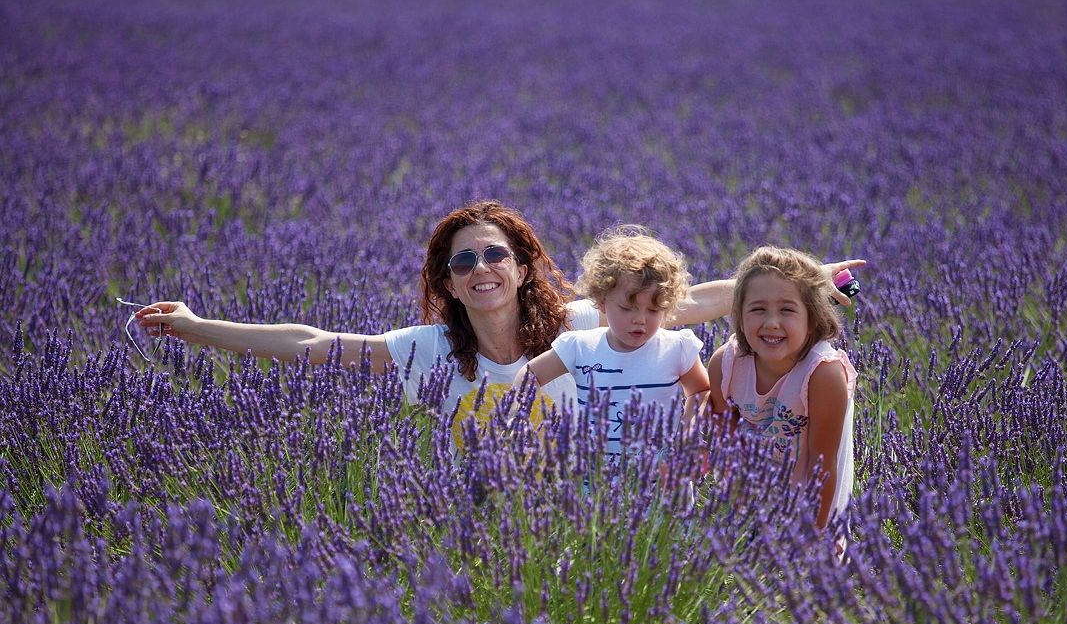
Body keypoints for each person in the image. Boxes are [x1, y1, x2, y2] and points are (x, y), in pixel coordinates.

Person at [135, 200, 863, 442]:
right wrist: (196, 324)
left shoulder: (578, 325)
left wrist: (810, 279)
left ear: (521, 268)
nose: (479, 268)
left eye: (494, 255)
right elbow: (314, 346)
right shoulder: (429, 349)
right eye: (461, 262)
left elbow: (694, 302)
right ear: (446, 285)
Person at [515, 226, 709, 456]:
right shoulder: (580, 347)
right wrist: (520, 414)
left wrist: (688, 433)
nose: (640, 320)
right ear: (602, 301)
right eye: (627, 309)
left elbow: (700, 391)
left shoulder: (677, 347)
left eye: (654, 310)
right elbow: (529, 375)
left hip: (662, 482)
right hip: (595, 483)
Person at [706, 246, 857, 530]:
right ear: (738, 316)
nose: (771, 323)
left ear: (812, 319)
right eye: (757, 309)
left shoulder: (822, 374)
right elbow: (726, 444)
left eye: (787, 309)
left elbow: (822, 466)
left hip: (810, 508)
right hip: (749, 506)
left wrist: (813, 539)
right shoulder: (725, 364)